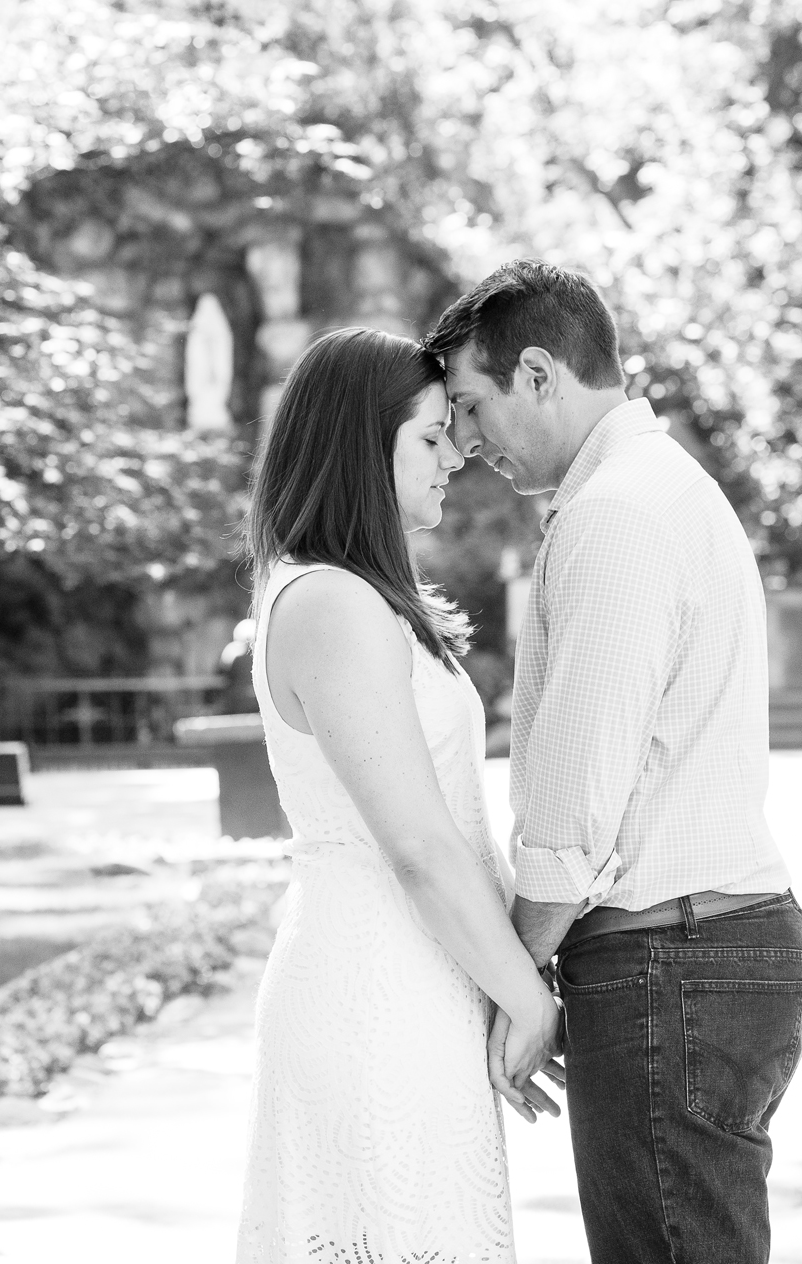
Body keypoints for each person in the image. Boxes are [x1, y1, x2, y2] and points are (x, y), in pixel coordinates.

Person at [426, 260, 802, 1264]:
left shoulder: (614, 516)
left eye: (471, 404)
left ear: (542, 374)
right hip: (701, 954)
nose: (468, 444)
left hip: (667, 963)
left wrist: (513, 983)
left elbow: (573, 807)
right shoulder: (656, 488)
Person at [236, 327, 561, 1264]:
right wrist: (528, 999)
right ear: (357, 446)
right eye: (427, 436)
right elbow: (418, 844)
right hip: (372, 995)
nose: (455, 453)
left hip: (418, 986)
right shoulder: (333, 604)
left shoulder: (358, 595)